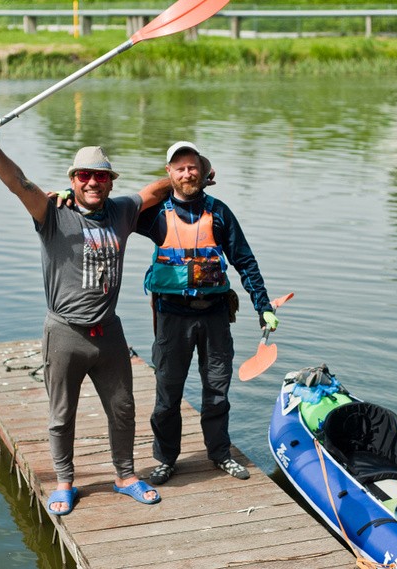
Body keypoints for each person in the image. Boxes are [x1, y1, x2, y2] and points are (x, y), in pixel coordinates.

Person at [0, 121, 172, 516]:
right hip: (65, 333)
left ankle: (126, 476)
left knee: (123, 408)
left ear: (110, 182)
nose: (92, 182)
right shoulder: (52, 213)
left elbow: (154, 191)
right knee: (62, 415)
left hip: (109, 333)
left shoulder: (122, 211)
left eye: (100, 176)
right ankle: (64, 482)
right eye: (84, 176)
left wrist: (191, 174)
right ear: (73, 181)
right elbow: (20, 184)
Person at [137, 141, 279, 485]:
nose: (187, 173)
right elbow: (106, 211)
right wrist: (71, 195)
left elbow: (245, 261)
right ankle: (166, 459)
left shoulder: (219, 212)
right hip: (172, 317)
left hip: (215, 315)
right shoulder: (155, 215)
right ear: (169, 173)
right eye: (179, 167)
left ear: (203, 170)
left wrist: (264, 306)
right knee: (167, 394)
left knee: (217, 390)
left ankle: (219, 453)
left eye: (192, 166)